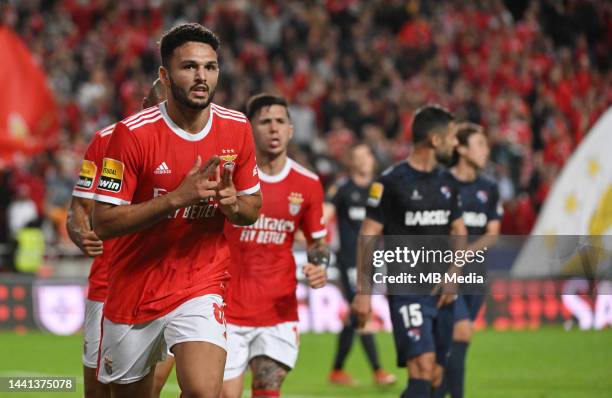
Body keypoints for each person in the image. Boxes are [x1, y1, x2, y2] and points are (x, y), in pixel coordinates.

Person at [92, 23, 262, 398]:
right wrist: (175, 198)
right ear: (165, 76)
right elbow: (101, 222)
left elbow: (253, 208)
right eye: (189, 67)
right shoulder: (131, 134)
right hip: (135, 286)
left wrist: (234, 205)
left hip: (201, 281)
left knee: (203, 391)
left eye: (210, 67)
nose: (202, 76)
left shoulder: (237, 128)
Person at [352, 105, 467, 398]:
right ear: (434, 139)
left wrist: (454, 275)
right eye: (452, 136)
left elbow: (459, 231)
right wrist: (363, 292)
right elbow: (368, 234)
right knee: (422, 366)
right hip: (408, 292)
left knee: (436, 377)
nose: (457, 143)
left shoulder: (447, 183)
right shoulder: (390, 183)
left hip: (442, 292)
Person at [221, 94, 329, 398]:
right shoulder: (231, 178)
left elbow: (317, 241)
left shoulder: (307, 183)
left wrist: (320, 266)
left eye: (280, 121)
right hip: (227, 307)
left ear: (291, 130)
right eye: (265, 122)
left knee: (267, 392)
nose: (274, 129)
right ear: (250, 129)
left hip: (278, 311)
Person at [67, 79, 166, 398]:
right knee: (98, 390)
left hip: (172, 285)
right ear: (145, 105)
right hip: (110, 283)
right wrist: (82, 233)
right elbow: (78, 210)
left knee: (152, 388)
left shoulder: (199, 140)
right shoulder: (107, 140)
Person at [433, 123, 501, 398]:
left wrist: (464, 254)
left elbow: (493, 234)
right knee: (460, 333)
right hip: (445, 272)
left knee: (452, 346)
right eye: (480, 144)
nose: (486, 150)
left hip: (475, 274)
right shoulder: (442, 184)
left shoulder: (489, 188)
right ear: (461, 149)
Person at [326, 143, 396, 386]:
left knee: (352, 317)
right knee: (361, 309)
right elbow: (325, 214)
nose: (364, 160)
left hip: (373, 259)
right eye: (358, 156)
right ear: (351, 162)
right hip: (349, 260)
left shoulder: (380, 190)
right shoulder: (343, 188)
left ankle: (336, 371)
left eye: (367, 155)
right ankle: (378, 371)